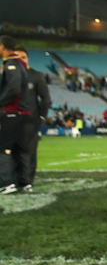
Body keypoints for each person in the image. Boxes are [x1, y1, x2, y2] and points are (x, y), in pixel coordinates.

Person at [12, 50, 50, 192]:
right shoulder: (8, 75)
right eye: (17, 57)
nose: (21, 59)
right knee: (12, 151)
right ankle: (13, 179)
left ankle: (27, 181)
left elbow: (45, 98)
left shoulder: (36, 75)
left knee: (29, 150)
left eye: (23, 57)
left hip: (30, 120)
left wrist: (41, 116)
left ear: (27, 58)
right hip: (11, 119)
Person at [0, 35, 28, 195]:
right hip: (17, 113)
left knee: (3, 148)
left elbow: (13, 89)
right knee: (17, 149)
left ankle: (6, 183)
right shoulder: (18, 64)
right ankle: (21, 182)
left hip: (11, 112)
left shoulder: (12, 65)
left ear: (3, 47)